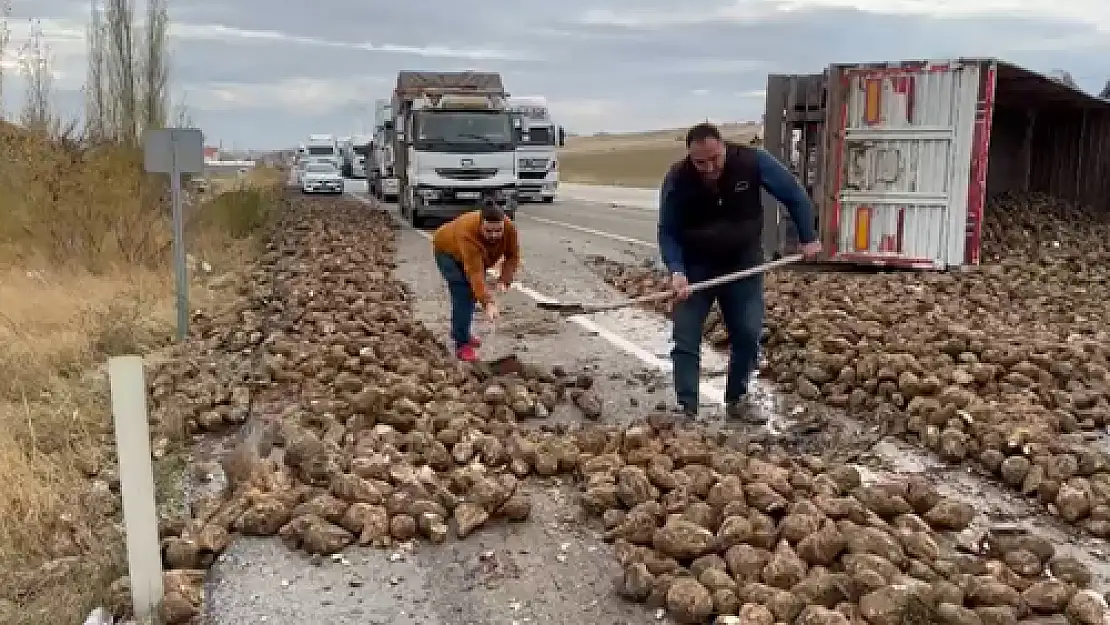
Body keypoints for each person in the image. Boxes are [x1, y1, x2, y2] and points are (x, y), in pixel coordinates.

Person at [657, 122, 823, 420]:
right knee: (685, 336)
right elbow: (667, 231)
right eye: (700, 162)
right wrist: (677, 271)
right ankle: (686, 407)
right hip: (696, 267)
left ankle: (738, 398)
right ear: (690, 157)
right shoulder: (678, 178)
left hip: (743, 263)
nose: (708, 168)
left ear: (723, 147)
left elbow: (794, 195)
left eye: (714, 159)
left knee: (747, 333)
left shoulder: (752, 162)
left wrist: (808, 237)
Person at [431, 197, 520, 362]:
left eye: (498, 231)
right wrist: (488, 303)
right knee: (463, 292)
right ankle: (462, 344)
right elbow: (475, 272)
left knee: (472, 293)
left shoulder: (509, 229)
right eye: (488, 231)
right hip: (447, 252)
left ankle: (461, 331)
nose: (494, 236)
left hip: (476, 258)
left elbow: (512, 256)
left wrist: (504, 280)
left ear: (503, 224)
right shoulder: (468, 233)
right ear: (481, 225)